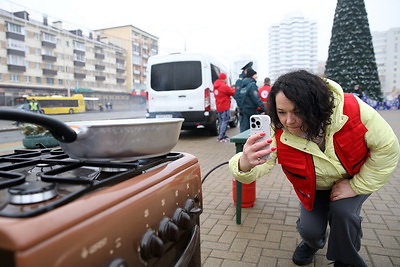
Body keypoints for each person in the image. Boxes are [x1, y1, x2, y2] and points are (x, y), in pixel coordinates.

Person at [229, 70, 400, 266]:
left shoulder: (353, 110)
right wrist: (244, 164)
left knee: (343, 213)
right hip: (312, 187)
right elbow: (264, 163)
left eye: (298, 112)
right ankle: (313, 243)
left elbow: (387, 149)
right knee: (310, 230)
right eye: (281, 112)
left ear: (316, 105)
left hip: (352, 179)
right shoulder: (275, 129)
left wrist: (356, 186)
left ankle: (346, 260)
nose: (289, 121)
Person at [236, 68, 267, 132]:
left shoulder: (243, 85)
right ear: (252, 75)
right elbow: (256, 99)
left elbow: (237, 95)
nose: (256, 76)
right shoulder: (252, 85)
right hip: (251, 111)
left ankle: (243, 142)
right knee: (255, 129)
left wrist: (240, 107)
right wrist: (265, 109)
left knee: (244, 130)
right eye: (255, 75)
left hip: (243, 110)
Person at [214, 72, 235, 142]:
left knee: (221, 122)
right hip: (225, 106)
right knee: (225, 121)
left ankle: (222, 135)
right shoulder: (224, 86)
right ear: (224, 78)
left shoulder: (215, 85)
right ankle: (221, 136)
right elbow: (232, 92)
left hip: (219, 106)